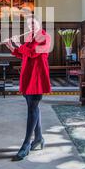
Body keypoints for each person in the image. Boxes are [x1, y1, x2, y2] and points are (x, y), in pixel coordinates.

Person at [5, 15, 51, 161]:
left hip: (37, 77)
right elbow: (23, 55)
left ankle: (26, 145)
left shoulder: (45, 37)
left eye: (32, 22)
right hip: (27, 76)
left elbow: (32, 52)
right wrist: (11, 46)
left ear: (39, 22)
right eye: (28, 24)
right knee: (33, 108)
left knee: (32, 108)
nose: (30, 26)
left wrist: (18, 45)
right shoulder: (30, 38)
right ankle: (38, 138)